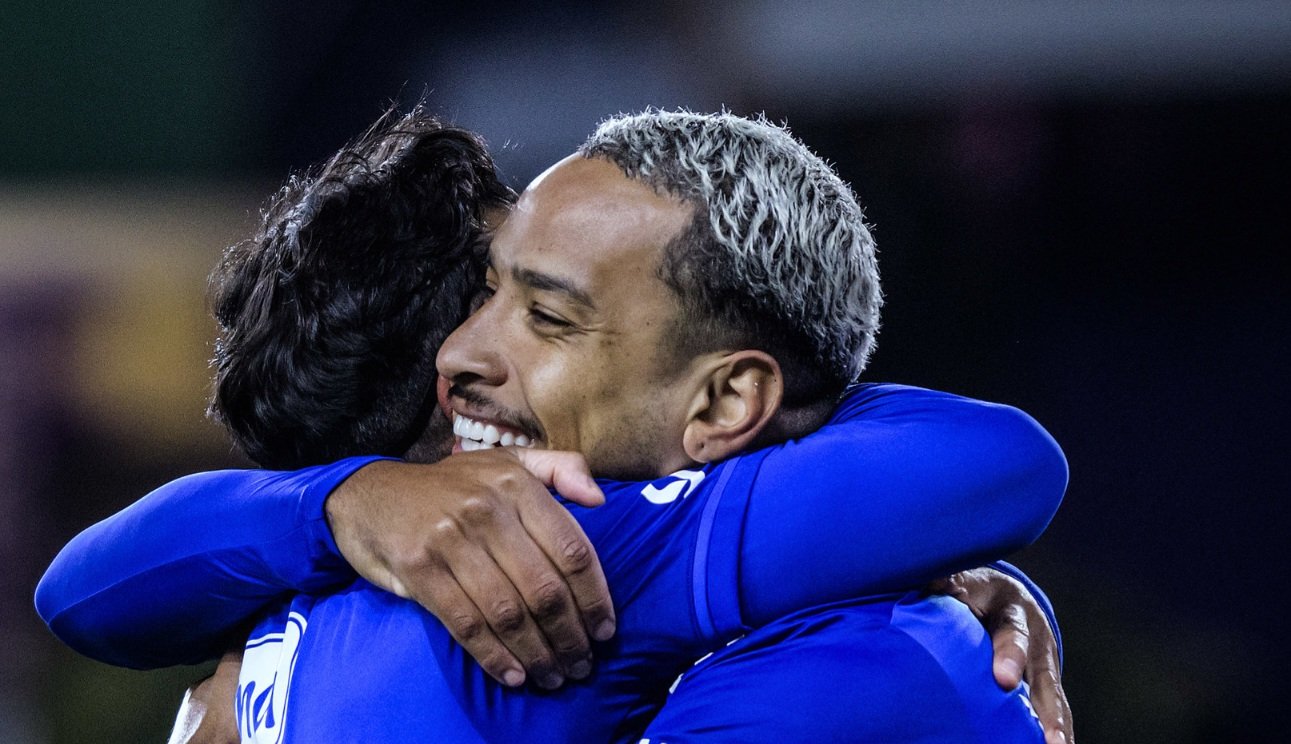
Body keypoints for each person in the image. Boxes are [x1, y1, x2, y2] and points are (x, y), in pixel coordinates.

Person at [36, 108, 1071, 742]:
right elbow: (998, 465)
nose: (463, 360)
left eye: (541, 311)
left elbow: (1000, 466)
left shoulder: (669, 565)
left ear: (720, 401)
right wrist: (346, 506)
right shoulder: (606, 549)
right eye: (489, 298)